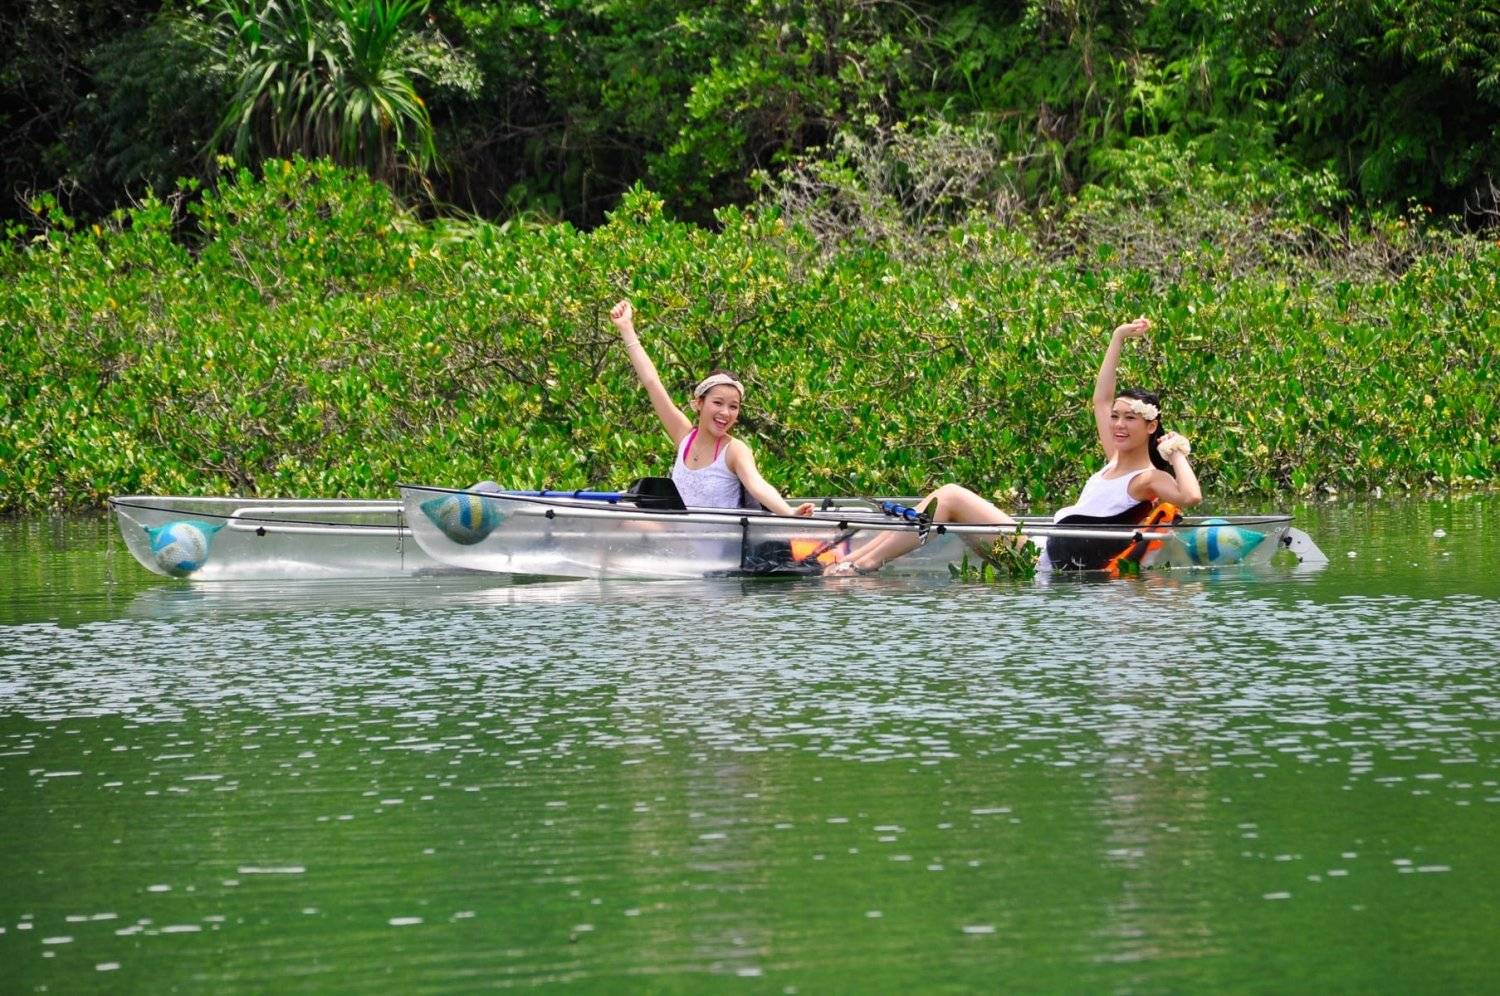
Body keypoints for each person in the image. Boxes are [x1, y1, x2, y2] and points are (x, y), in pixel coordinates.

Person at [826, 316, 1202, 574]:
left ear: (1151, 426)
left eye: (1129, 419)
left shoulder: (1146, 477)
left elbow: (1190, 497)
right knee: (944, 498)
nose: (1117, 424)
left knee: (951, 496)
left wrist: (1177, 452)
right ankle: (856, 560)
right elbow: (1100, 400)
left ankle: (864, 564)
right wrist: (1118, 336)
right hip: (1035, 545)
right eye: (1117, 417)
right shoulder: (1113, 458)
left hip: (1041, 558)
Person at [610, 300, 814, 516]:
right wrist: (626, 328)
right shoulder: (684, 436)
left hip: (719, 546)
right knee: (622, 521)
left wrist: (788, 512)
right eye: (718, 403)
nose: (725, 413)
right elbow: (652, 383)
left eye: (733, 407)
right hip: (681, 542)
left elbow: (758, 485)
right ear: (699, 404)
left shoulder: (735, 450)